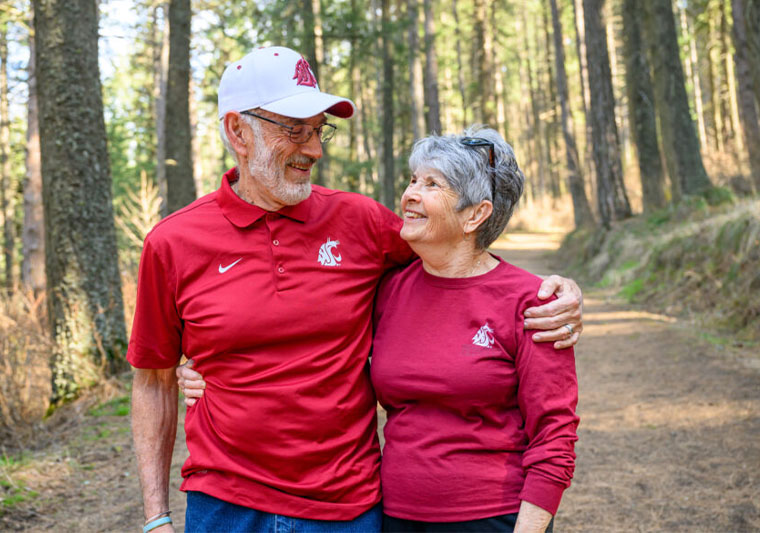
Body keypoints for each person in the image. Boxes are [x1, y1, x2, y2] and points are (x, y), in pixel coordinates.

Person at [130, 46, 583, 533]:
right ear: (237, 131)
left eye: (319, 130)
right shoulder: (172, 243)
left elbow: (459, 256)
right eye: (294, 130)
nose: (315, 150)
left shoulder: (360, 221)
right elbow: (152, 380)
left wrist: (558, 292)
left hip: (348, 508)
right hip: (224, 503)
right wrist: (156, 518)